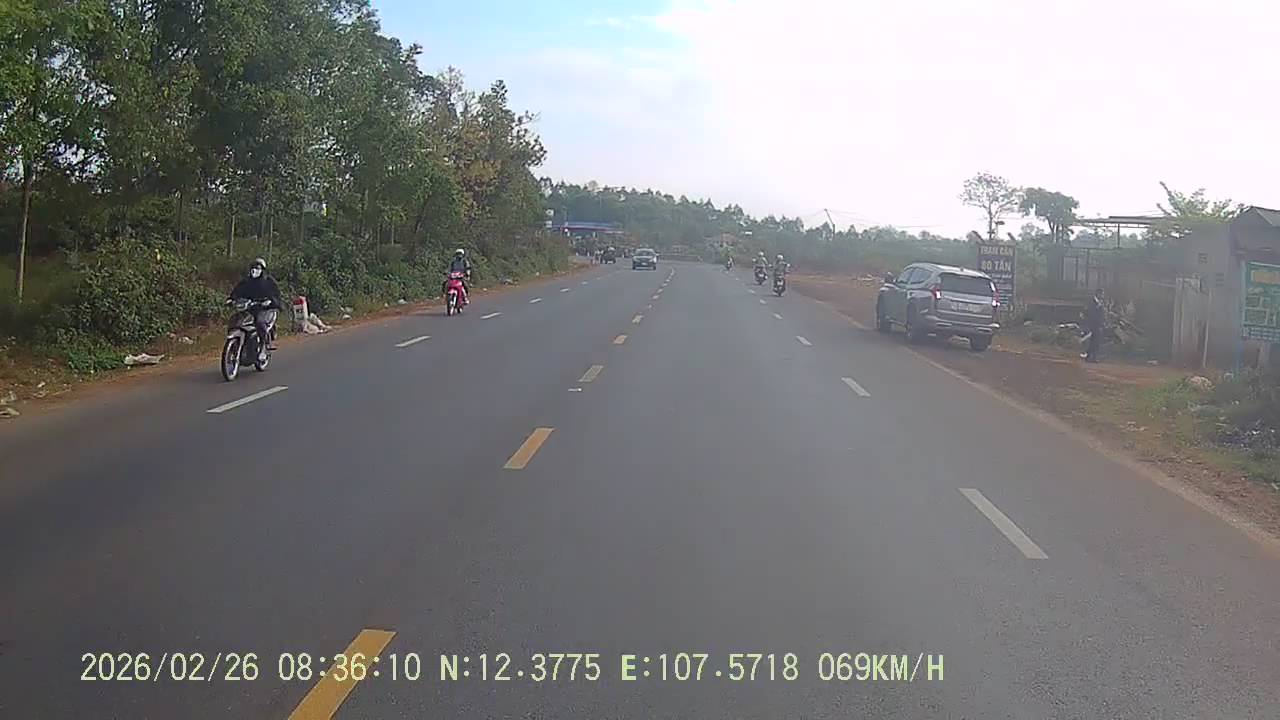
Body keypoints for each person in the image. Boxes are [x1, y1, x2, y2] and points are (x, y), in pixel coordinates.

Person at [228, 258, 283, 361]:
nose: (255, 270)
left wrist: (271, 301)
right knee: (235, 319)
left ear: (262, 270)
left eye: (258, 268)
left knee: (260, 323)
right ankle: (237, 347)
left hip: (266, 309)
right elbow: (237, 291)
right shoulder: (246, 281)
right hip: (250, 308)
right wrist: (231, 299)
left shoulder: (268, 281)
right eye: (253, 268)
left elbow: (276, 295)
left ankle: (262, 348)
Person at [1081, 287, 1105, 363]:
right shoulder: (1091, 302)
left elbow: (1101, 315)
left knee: (1096, 342)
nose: (1103, 296)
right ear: (1098, 294)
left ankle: (1094, 357)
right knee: (1090, 342)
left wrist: (1102, 323)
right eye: (1102, 294)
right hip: (1091, 325)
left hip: (1098, 325)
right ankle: (1088, 356)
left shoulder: (1101, 303)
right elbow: (1087, 313)